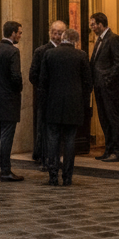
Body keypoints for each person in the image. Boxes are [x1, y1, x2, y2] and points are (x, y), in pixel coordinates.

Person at [40, 27, 92, 186]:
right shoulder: (81, 56)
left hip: (53, 103)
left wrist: (44, 104)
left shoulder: (49, 54)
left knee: (53, 140)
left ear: (63, 38)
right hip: (73, 104)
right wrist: (83, 103)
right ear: (75, 41)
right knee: (70, 140)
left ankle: (53, 175)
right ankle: (67, 176)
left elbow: (43, 83)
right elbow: (88, 83)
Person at [0, 20, 25, 182]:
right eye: (19, 33)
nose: (20, 36)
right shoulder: (13, 52)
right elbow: (16, 76)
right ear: (13, 33)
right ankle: (6, 170)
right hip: (9, 99)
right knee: (7, 135)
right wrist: (18, 89)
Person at [88, 11, 119, 162]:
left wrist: (107, 79)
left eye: (93, 25)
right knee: (104, 119)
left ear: (101, 24)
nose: (92, 28)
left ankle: (118, 151)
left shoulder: (114, 39)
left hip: (110, 88)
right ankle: (108, 149)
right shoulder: (99, 40)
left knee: (113, 118)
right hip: (99, 87)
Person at [29, 20, 66, 168]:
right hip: (45, 96)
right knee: (44, 128)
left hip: (60, 97)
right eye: (55, 33)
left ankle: (57, 157)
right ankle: (44, 158)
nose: (57, 36)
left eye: (60, 33)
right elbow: (33, 75)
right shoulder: (41, 51)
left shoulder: (66, 51)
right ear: (50, 33)